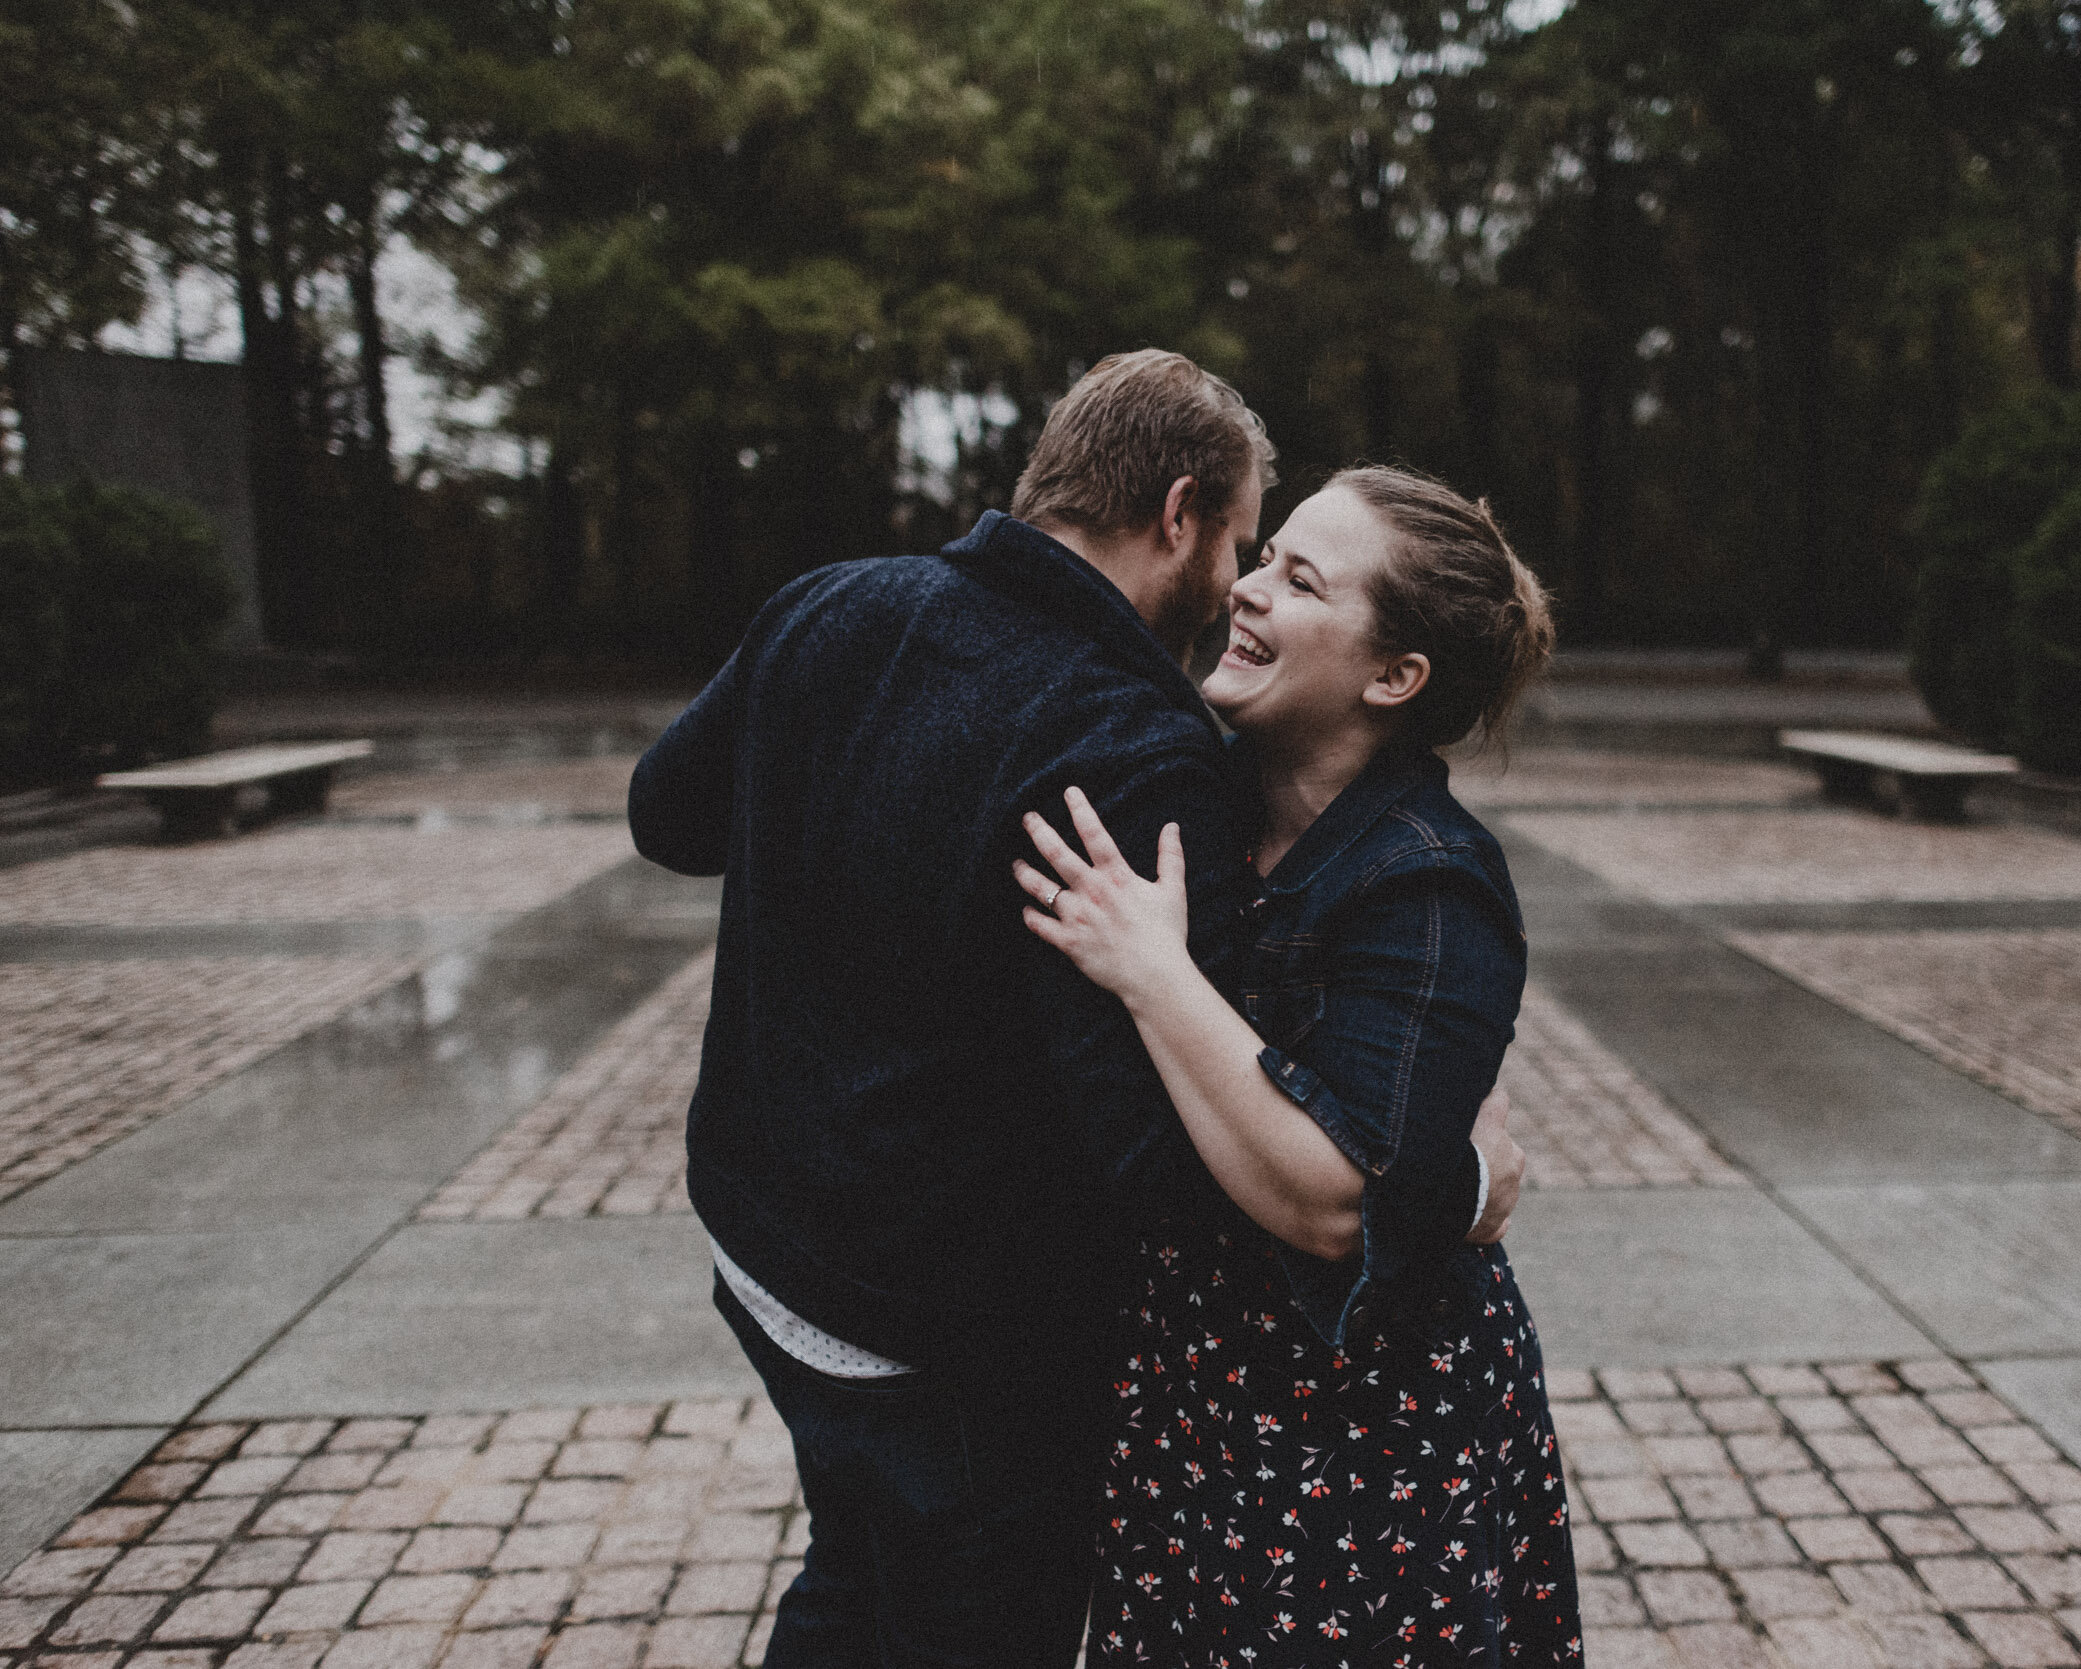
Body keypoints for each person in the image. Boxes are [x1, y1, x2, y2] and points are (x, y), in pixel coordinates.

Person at [627, 352, 1525, 1668]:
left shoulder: (832, 605)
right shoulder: (1131, 745)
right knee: (961, 1609)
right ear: (1178, 515)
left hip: (764, 1248)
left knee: (856, 1562)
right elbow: (1167, 1172)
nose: (1240, 587)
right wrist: (1450, 1182)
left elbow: (670, 815)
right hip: (947, 1343)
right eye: (1242, 544)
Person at [1015, 466, 1582, 1662]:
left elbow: (1332, 1203)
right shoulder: (1191, 801)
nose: (1247, 591)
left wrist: (1152, 970)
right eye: (1264, 558)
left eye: (1301, 580)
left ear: (1393, 677)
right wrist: (1457, 1187)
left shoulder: (1430, 882)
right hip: (1189, 1405)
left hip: (1366, 1441)